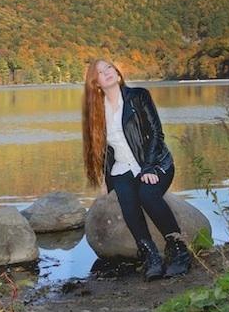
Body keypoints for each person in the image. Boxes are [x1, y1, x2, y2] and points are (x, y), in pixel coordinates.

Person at [81, 59, 191, 279]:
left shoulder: (139, 97)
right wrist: (106, 179)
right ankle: (150, 255)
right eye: (101, 72)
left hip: (157, 163)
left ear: (117, 71)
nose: (108, 72)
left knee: (147, 195)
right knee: (127, 201)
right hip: (122, 169)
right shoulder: (96, 111)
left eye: (109, 67)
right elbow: (101, 150)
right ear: (96, 83)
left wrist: (149, 167)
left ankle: (178, 250)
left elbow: (157, 134)